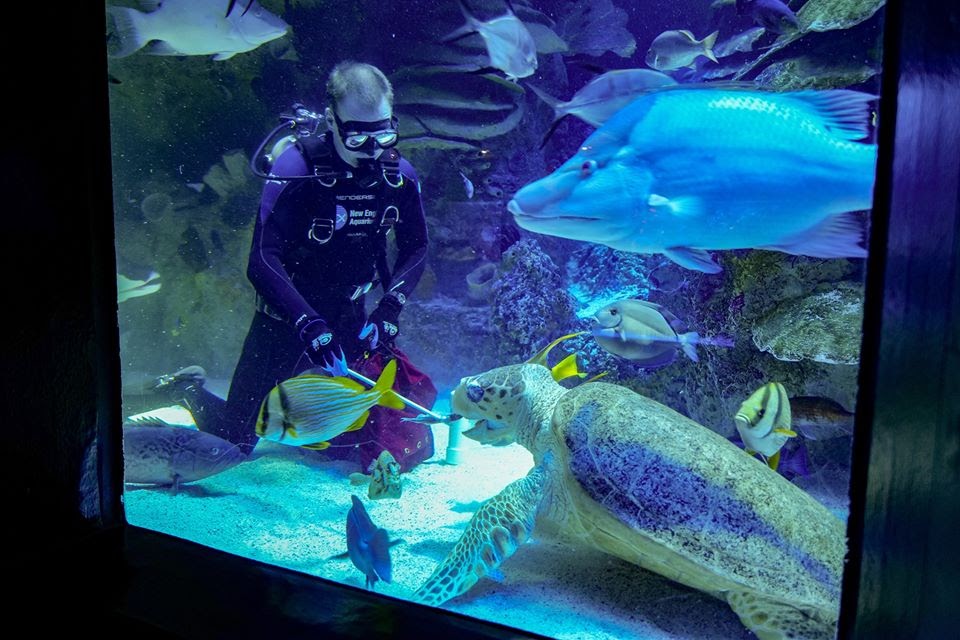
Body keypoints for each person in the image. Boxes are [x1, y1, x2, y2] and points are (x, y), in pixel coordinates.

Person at [154, 61, 436, 471]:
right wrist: (307, 323)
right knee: (235, 441)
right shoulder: (296, 169)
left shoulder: (399, 177)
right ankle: (187, 389)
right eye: (358, 136)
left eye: (383, 134)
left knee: (345, 440)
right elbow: (261, 259)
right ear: (332, 120)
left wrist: (390, 308)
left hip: (350, 314)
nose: (372, 150)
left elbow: (417, 246)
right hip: (284, 321)